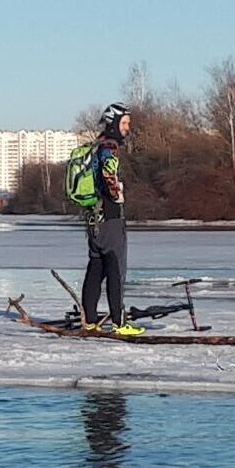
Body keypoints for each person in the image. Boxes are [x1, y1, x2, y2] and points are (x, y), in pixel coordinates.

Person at [81, 102, 144, 335]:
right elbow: (109, 174)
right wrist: (116, 193)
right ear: (114, 123)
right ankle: (119, 323)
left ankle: (88, 320)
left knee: (96, 266)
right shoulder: (110, 148)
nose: (127, 128)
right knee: (116, 266)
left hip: (92, 216)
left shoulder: (96, 146)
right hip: (109, 216)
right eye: (125, 123)